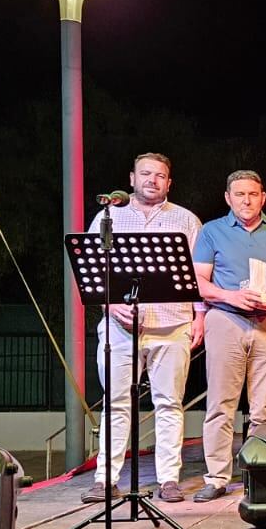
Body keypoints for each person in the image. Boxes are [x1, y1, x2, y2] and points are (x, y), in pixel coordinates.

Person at [82, 152, 205, 506]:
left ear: (169, 183)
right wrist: (110, 304)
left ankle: (168, 479)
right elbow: (92, 268)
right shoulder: (109, 216)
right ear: (132, 178)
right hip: (121, 326)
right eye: (146, 173)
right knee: (116, 404)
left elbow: (198, 274)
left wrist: (199, 316)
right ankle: (106, 480)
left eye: (160, 175)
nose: (152, 180)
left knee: (169, 403)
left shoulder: (186, 219)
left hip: (172, 323)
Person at [191, 170, 266, 502]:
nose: (246, 200)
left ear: (263, 197)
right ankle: (217, 476)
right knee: (221, 403)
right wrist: (230, 296)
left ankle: (258, 473)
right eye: (239, 194)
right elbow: (200, 282)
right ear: (228, 198)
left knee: (265, 406)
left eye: (252, 194)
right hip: (226, 319)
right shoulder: (212, 231)